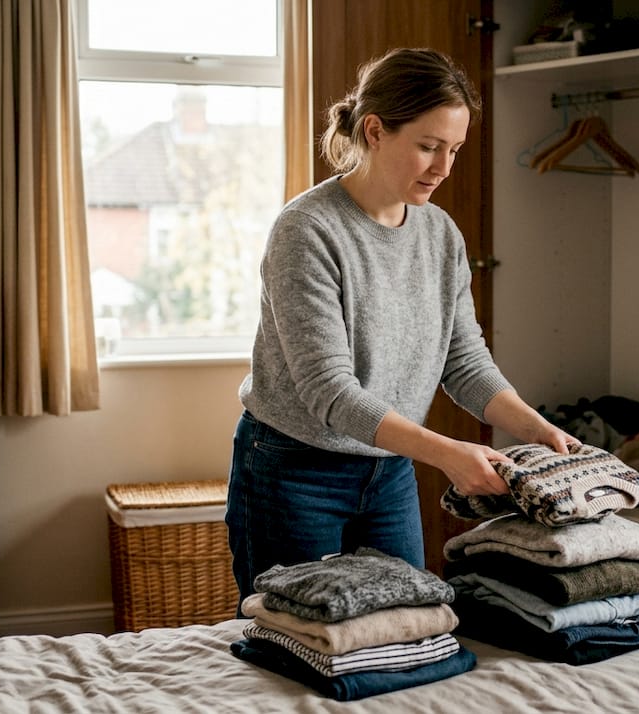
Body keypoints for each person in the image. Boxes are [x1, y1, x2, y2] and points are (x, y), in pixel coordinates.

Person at [225, 47, 578, 605]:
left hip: (388, 471)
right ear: (374, 130)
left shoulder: (440, 234)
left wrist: (538, 429)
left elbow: (464, 362)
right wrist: (445, 452)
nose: (443, 168)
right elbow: (329, 391)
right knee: (297, 646)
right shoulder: (306, 230)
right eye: (428, 147)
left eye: (455, 150)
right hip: (294, 472)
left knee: (407, 629)